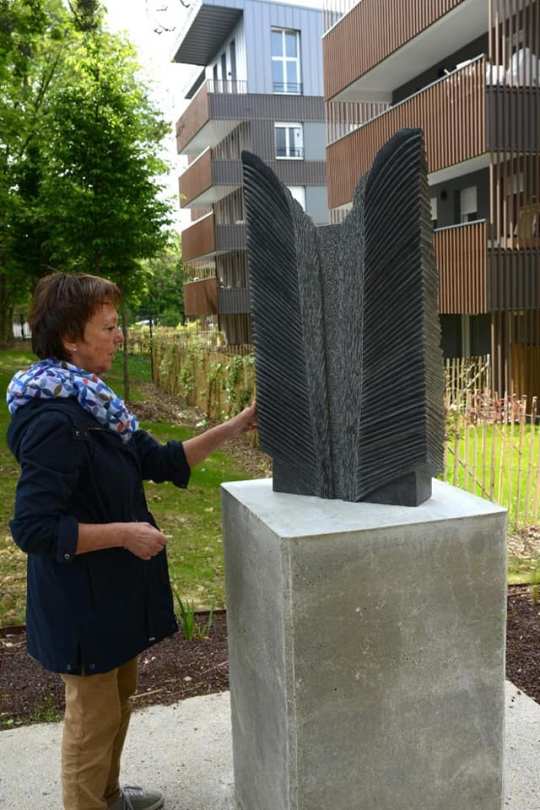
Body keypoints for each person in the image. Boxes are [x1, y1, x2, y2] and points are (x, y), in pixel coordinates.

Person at [6, 272, 257, 810]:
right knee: (91, 721)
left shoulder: (96, 406)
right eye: (109, 327)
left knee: (117, 703)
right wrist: (125, 534)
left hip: (110, 598)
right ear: (70, 338)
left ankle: (109, 796)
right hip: (80, 605)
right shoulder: (55, 421)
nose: (120, 336)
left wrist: (236, 425)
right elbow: (33, 528)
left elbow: (161, 461)